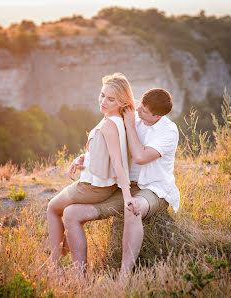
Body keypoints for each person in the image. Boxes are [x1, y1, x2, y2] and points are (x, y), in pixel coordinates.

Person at [62, 88, 180, 276]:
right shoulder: (136, 116)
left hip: (154, 189)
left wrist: (130, 126)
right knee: (70, 213)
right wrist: (85, 157)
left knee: (132, 209)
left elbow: (140, 157)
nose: (138, 110)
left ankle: (124, 278)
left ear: (157, 116)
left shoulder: (168, 131)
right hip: (125, 186)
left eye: (144, 110)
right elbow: (110, 146)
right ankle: (80, 279)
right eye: (140, 104)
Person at [46, 73, 136, 269]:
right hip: (99, 185)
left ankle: (54, 266)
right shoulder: (118, 120)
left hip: (92, 188)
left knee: (53, 208)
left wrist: (127, 195)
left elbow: (118, 163)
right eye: (102, 95)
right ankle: (61, 258)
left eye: (111, 99)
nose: (103, 101)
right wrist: (83, 158)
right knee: (68, 214)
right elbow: (104, 152)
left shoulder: (110, 125)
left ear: (122, 102)